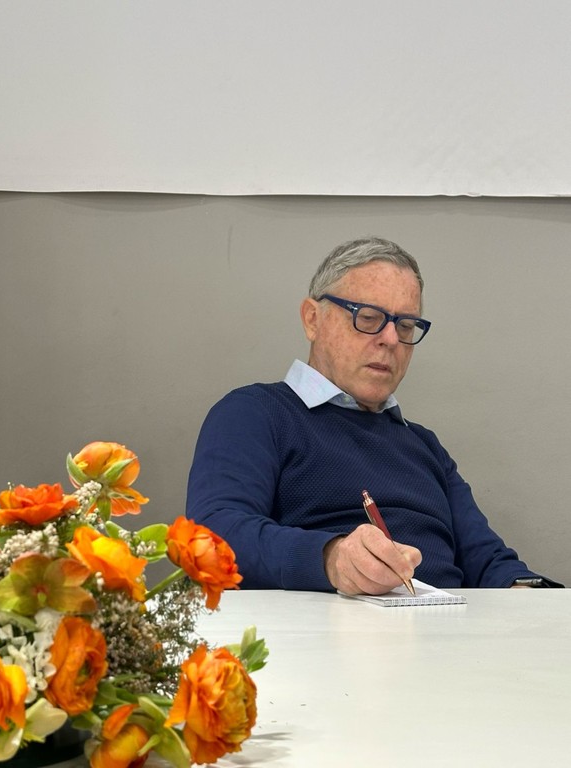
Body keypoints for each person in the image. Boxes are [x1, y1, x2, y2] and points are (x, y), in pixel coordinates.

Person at [186, 236, 561, 593]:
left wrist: (527, 594)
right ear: (312, 319)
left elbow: (489, 560)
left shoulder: (424, 445)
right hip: (326, 628)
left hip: (451, 627)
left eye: (406, 325)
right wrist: (331, 559)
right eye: (367, 318)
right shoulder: (254, 413)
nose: (391, 339)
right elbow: (212, 535)